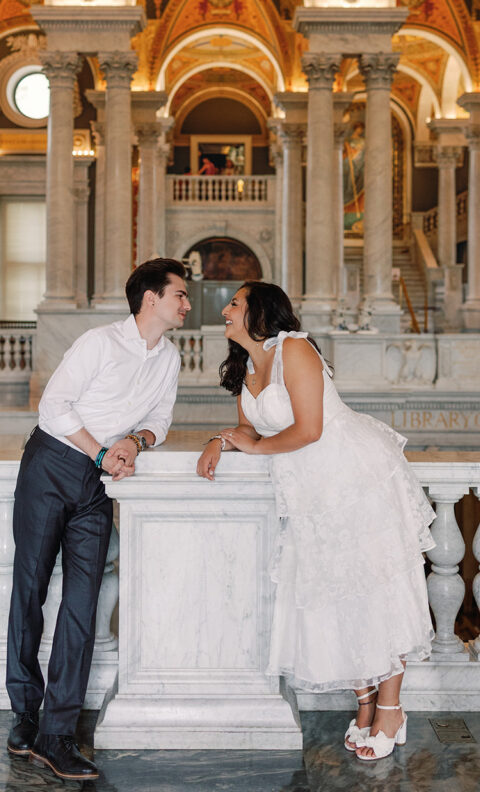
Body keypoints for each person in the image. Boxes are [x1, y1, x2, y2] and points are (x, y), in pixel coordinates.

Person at [196, 281, 434, 762]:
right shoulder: (246, 366)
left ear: (260, 311)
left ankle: (391, 711)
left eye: (235, 304)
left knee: (376, 593)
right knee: (336, 596)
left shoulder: (295, 349)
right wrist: (221, 441)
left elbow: (309, 428)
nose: (225, 310)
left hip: (354, 481)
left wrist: (257, 447)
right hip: (310, 495)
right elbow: (250, 426)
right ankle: (365, 704)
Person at [6, 258, 191, 781]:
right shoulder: (98, 343)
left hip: (97, 485)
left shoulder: (169, 358)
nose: (186, 304)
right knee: (30, 589)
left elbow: (160, 420)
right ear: (150, 298)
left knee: (82, 606)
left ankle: (57, 734)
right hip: (51, 464)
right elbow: (54, 404)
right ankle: (24, 711)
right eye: (179, 294)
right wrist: (100, 452)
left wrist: (135, 442)